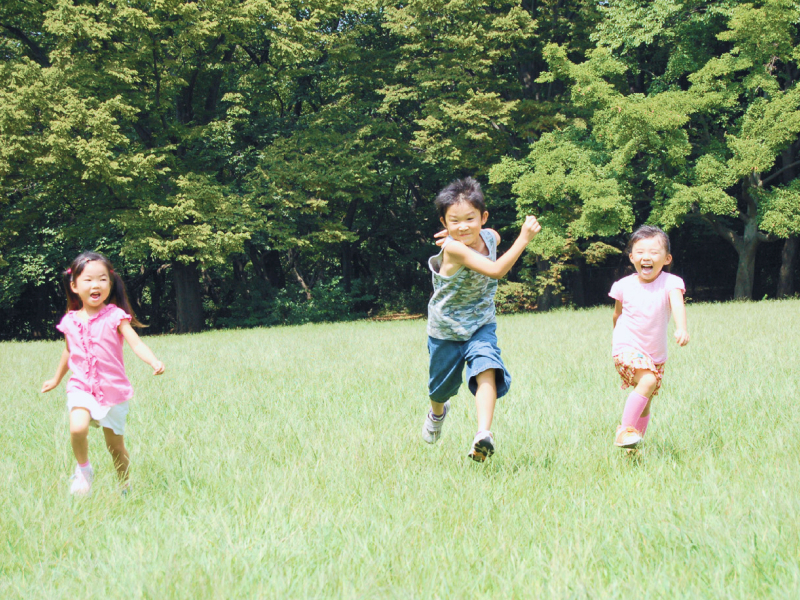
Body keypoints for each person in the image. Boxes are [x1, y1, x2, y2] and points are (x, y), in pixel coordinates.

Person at [422, 177, 541, 461]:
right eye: (454, 221)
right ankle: (437, 414)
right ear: (444, 223)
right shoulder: (454, 249)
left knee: (487, 365)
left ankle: (482, 434)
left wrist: (478, 230)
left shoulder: (489, 236)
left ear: (483, 217)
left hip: (481, 325)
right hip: (446, 330)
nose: (463, 226)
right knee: (441, 388)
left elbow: (494, 236)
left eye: (470, 219)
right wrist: (523, 238)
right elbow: (497, 269)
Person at [41, 252, 165, 495]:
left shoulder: (116, 316)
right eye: (88, 280)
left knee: (115, 447)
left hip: (113, 392)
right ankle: (84, 469)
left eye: (102, 279)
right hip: (81, 387)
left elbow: (136, 344)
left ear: (110, 282)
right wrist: (56, 379)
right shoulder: (70, 321)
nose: (95, 285)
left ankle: (124, 485)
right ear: (74, 286)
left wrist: (153, 361)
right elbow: (69, 351)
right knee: (77, 428)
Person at [609, 225, 689, 449]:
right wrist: (618, 343)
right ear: (632, 257)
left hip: (655, 354)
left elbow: (677, 305)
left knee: (645, 402)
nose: (647, 257)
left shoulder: (671, 283)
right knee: (648, 381)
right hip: (627, 347)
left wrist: (681, 327)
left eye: (654, 252)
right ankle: (624, 431)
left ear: (667, 258)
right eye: (641, 252)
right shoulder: (623, 286)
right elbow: (617, 315)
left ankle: (633, 448)